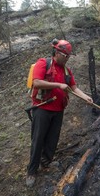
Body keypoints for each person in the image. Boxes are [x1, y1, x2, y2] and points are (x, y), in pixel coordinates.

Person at [26, 39, 93, 187]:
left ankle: (46, 161)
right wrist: (58, 84)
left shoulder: (67, 71)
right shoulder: (44, 63)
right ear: (57, 52)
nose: (67, 58)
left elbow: (74, 88)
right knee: (38, 140)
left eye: (69, 56)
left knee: (52, 139)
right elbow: (36, 82)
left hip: (58, 110)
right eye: (65, 55)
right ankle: (31, 171)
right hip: (42, 108)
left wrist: (85, 97)